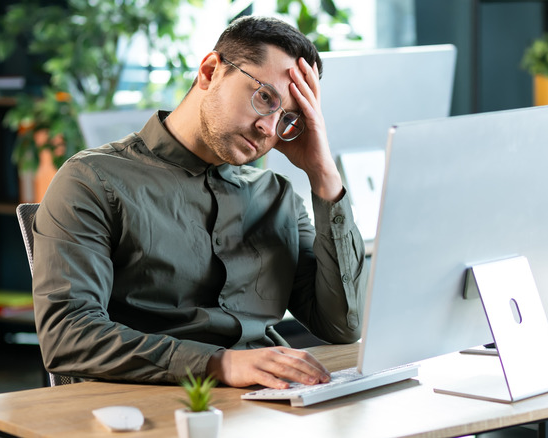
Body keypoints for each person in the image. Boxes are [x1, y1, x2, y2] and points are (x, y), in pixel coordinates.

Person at [32, 15, 367, 389]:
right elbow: (67, 336)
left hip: (272, 405)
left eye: (289, 118)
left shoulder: (277, 198)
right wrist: (218, 364)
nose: (270, 129)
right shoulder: (92, 180)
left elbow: (342, 325)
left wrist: (324, 175)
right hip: (152, 403)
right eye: (265, 98)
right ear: (210, 72)